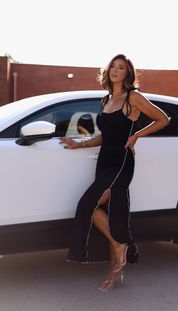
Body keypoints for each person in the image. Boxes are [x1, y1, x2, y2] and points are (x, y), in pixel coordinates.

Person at [59, 54, 169, 292]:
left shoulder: (134, 97)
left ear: (128, 73)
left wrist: (136, 135)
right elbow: (104, 137)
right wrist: (80, 144)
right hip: (104, 162)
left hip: (121, 161)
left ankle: (119, 247)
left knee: (88, 204)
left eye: (122, 67)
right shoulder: (106, 100)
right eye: (113, 66)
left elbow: (163, 119)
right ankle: (117, 257)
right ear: (107, 71)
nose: (116, 70)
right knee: (106, 212)